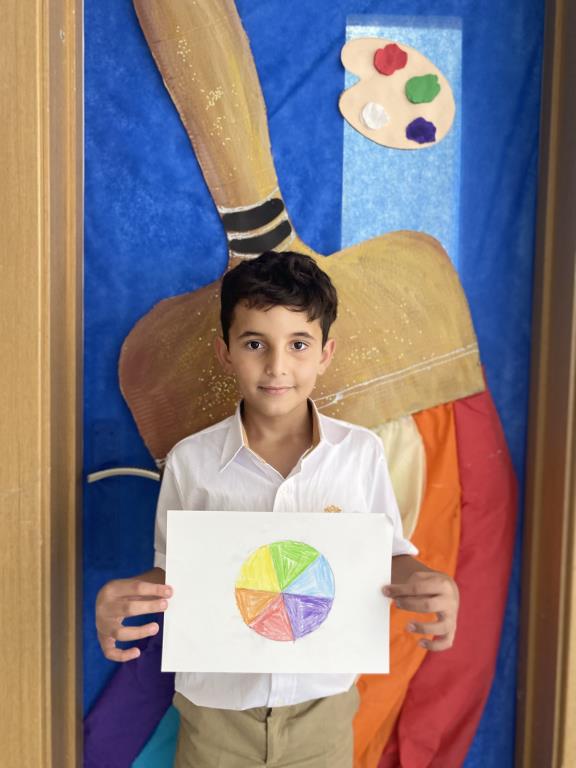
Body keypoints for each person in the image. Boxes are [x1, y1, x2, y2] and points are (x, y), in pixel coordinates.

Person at [95, 250, 459, 768]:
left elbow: (387, 556)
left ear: (325, 353)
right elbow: (176, 571)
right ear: (225, 353)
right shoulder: (191, 461)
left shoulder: (359, 454)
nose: (277, 366)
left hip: (321, 717)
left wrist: (426, 580)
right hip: (215, 719)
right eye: (254, 344)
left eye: (298, 344)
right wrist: (127, 595)